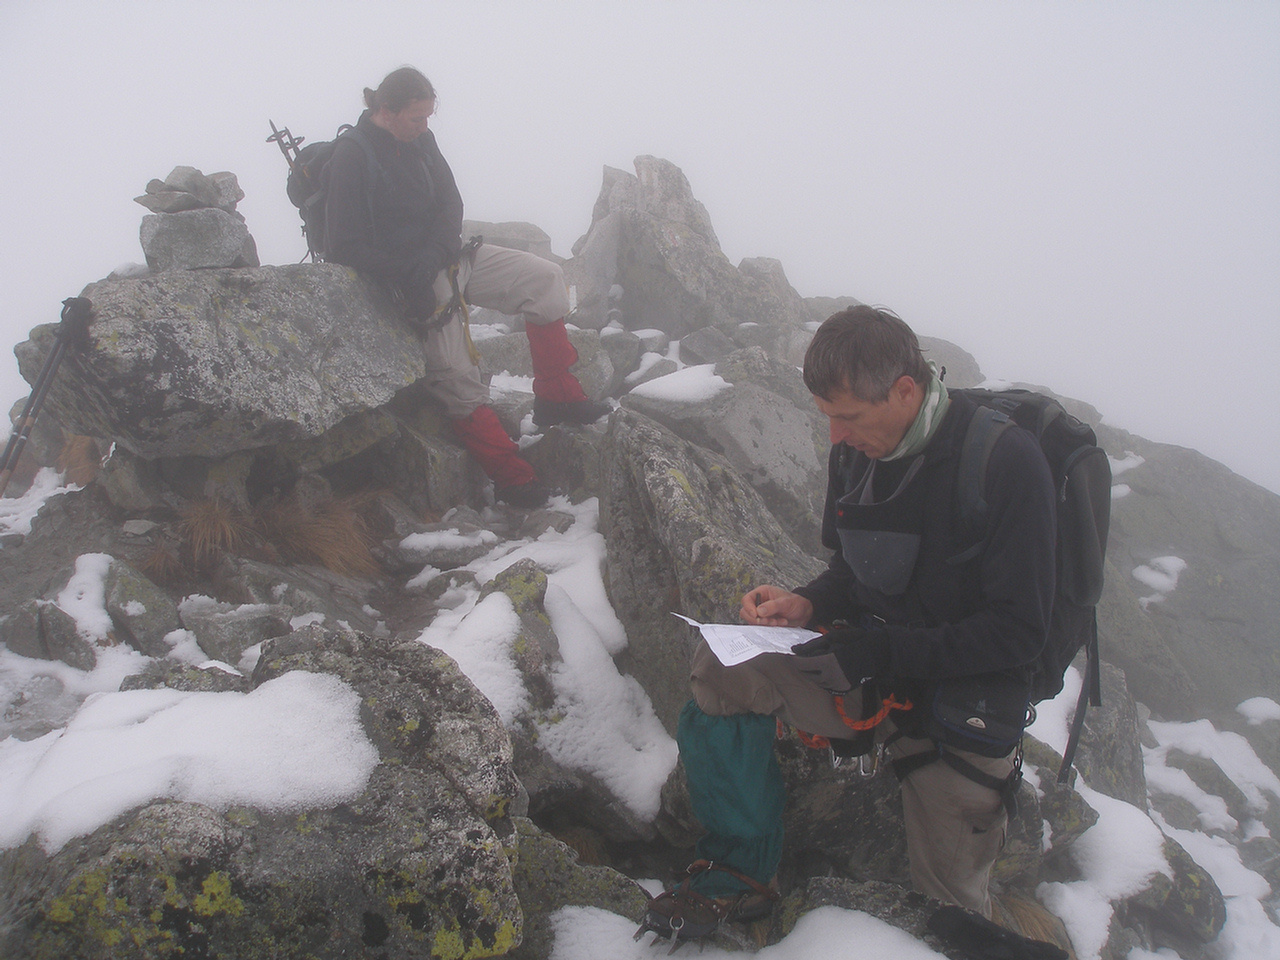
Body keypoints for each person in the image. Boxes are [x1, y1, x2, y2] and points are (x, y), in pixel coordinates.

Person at [641, 305, 1057, 942]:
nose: (835, 436)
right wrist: (808, 603)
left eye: (849, 418)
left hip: (960, 706)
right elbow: (854, 569)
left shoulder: (1005, 464)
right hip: (867, 666)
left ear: (905, 392)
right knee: (720, 666)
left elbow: (1019, 635)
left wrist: (880, 650)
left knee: (952, 920)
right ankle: (742, 875)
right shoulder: (860, 449)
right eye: (827, 416)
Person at [323, 66, 609, 507]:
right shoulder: (351, 157)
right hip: (403, 278)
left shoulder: (420, 141)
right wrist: (409, 273)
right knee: (457, 375)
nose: (425, 126)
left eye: (428, 117)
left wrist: (435, 253)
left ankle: (557, 397)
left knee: (545, 278)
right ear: (385, 110)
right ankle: (511, 477)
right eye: (417, 118)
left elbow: (450, 203)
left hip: (446, 258)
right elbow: (343, 246)